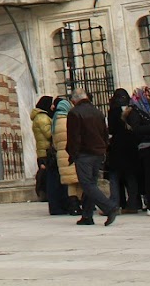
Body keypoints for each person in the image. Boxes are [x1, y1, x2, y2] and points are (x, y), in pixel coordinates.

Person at [66, 88, 118, 226]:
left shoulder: (74, 113)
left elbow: (74, 137)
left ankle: (109, 206)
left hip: (84, 153)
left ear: (74, 100)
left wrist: (73, 153)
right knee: (91, 184)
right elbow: (104, 133)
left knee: (87, 184)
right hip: (98, 152)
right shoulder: (97, 112)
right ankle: (87, 215)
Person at [124, 88, 150, 214]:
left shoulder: (144, 110)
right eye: (146, 95)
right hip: (146, 147)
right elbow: (137, 129)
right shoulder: (135, 112)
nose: (148, 97)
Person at [104, 89, 139, 212]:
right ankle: (133, 203)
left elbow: (112, 130)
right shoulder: (133, 110)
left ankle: (114, 204)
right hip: (131, 146)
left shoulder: (113, 111)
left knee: (114, 176)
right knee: (131, 176)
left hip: (118, 146)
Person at [52, 98, 81, 214]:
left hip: (61, 156)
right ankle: (78, 205)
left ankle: (73, 206)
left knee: (70, 182)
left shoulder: (55, 121)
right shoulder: (69, 120)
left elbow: (54, 142)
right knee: (78, 181)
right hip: (71, 154)